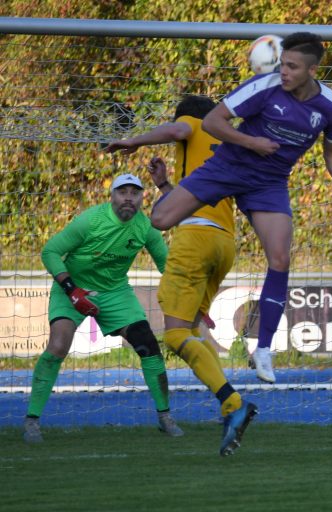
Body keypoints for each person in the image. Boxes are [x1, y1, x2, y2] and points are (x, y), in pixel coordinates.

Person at [150, 32, 332, 386]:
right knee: (159, 219)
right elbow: (212, 123)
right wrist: (252, 141)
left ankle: (263, 348)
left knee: (280, 258)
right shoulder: (263, 87)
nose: (284, 71)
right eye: (282, 63)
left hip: (268, 183)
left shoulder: (331, 108)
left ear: (312, 70)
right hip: (228, 167)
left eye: (292, 67)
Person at [104, 95, 257, 457]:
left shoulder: (195, 125)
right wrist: (163, 186)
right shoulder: (227, 144)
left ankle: (233, 402)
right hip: (224, 243)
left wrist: (132, 140)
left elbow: (177, 128)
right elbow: (195, 199)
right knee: (191, 329)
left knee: (174, 335)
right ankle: (227, 408)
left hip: (195, 240)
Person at [23, 174, 183, 443]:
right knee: (58, 346)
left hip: (115, 293)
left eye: (135, 192)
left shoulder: (146, 227)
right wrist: (72, 290)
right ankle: (31, 421)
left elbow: (168, 267)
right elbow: (50, 251)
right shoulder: (90, 220)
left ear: (143, 198)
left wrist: (193, 301)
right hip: (73, 288)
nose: (129, 198)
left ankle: (165, 417)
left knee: (148, 345)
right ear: (112, 196)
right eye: (123, 192)